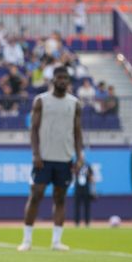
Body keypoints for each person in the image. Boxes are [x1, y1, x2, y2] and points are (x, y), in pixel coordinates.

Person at [17, 66, 83, 252]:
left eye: (65, 78)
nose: (62, 81)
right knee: (36, 195)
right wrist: (36, 154)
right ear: (53, 79)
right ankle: (27, 240)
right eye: (59, 77)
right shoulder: (41, 100)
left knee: (60, 198)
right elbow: (34, 129)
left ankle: (56, 241)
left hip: (65, 158)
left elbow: (78, 132)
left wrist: (79, 156)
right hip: (43, 158)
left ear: (69, 81)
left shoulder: (75, 103)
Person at [74, 160, 95, 228]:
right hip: (78, 189)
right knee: (77, 206)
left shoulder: (87, 166)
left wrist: (93, 190)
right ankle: (77, 222)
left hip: (86, 189)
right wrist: (77, 169)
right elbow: (72, 173)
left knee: (87, 206)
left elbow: (92, 178)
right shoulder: (75, 165)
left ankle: (87, 222)